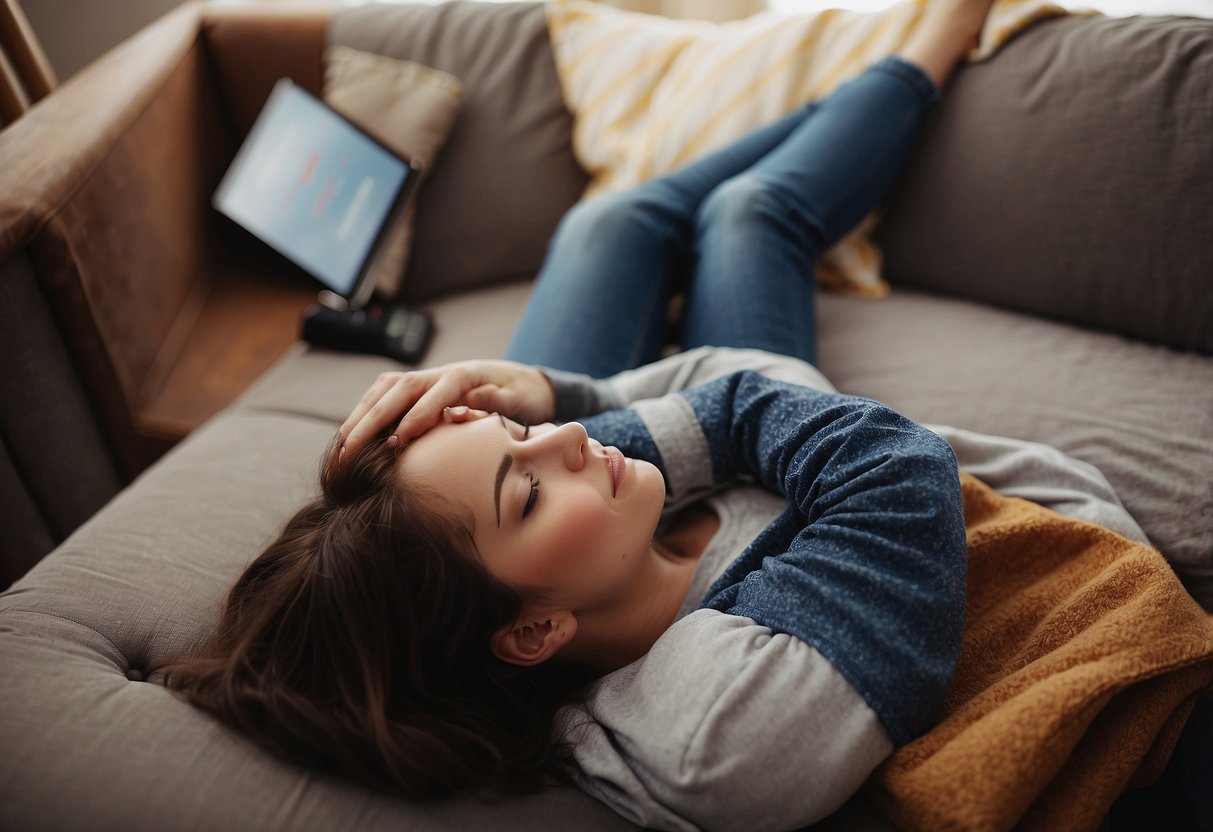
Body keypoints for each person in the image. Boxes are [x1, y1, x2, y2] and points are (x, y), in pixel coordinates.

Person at [164, 0, 1148, 827]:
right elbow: (884, 462)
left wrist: (550, 400)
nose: (562, 445)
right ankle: (923, 48)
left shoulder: (583, 514)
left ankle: (867, 81)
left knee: (611, 219)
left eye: (515, 439)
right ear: (534, 630)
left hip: (713, 438)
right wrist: (686, 418)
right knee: (750, 214)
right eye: (525, 488)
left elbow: (729, 393)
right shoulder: (722, 726)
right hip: (768, 413)